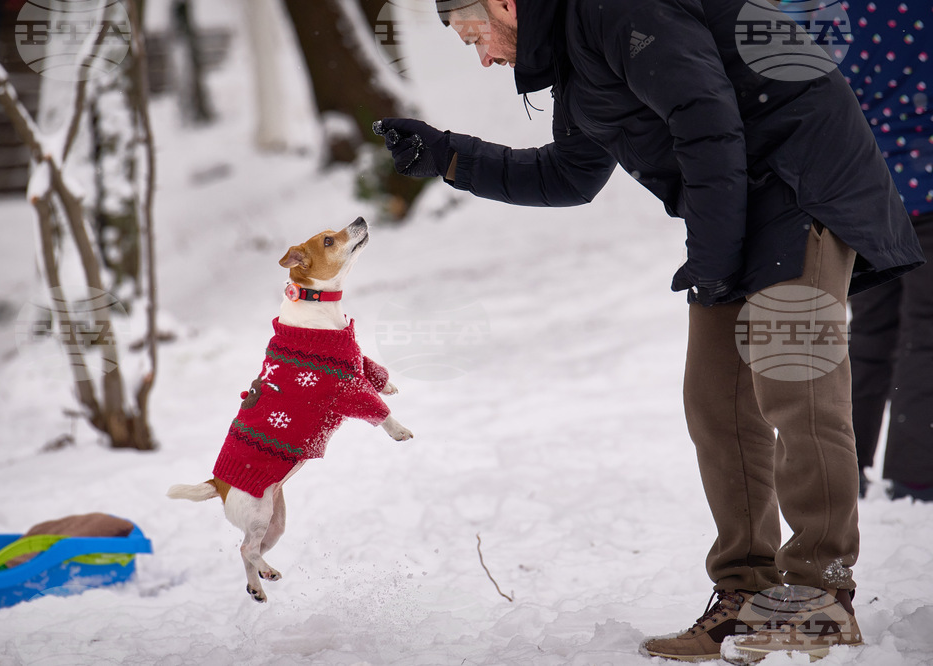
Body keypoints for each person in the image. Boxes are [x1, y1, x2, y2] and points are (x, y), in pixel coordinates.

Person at [375, 0, 925, 662]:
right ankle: (746, 592)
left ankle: (820, 596)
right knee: (716, 402)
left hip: (799, 180)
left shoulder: (615, 10)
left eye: (475, 38)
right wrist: (447, 155)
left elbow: (707, 121)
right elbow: (568, 174)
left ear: (504, 4)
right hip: (737, 200)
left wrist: (714, 260)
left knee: (796, 387)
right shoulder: (576, 55)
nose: (485, 58)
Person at [839, 2, 933, 503]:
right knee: (928, 329)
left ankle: (842, 465)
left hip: (866, 191)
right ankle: (916, 473)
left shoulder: (836, 10)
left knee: (870, 329)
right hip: (927, 188)